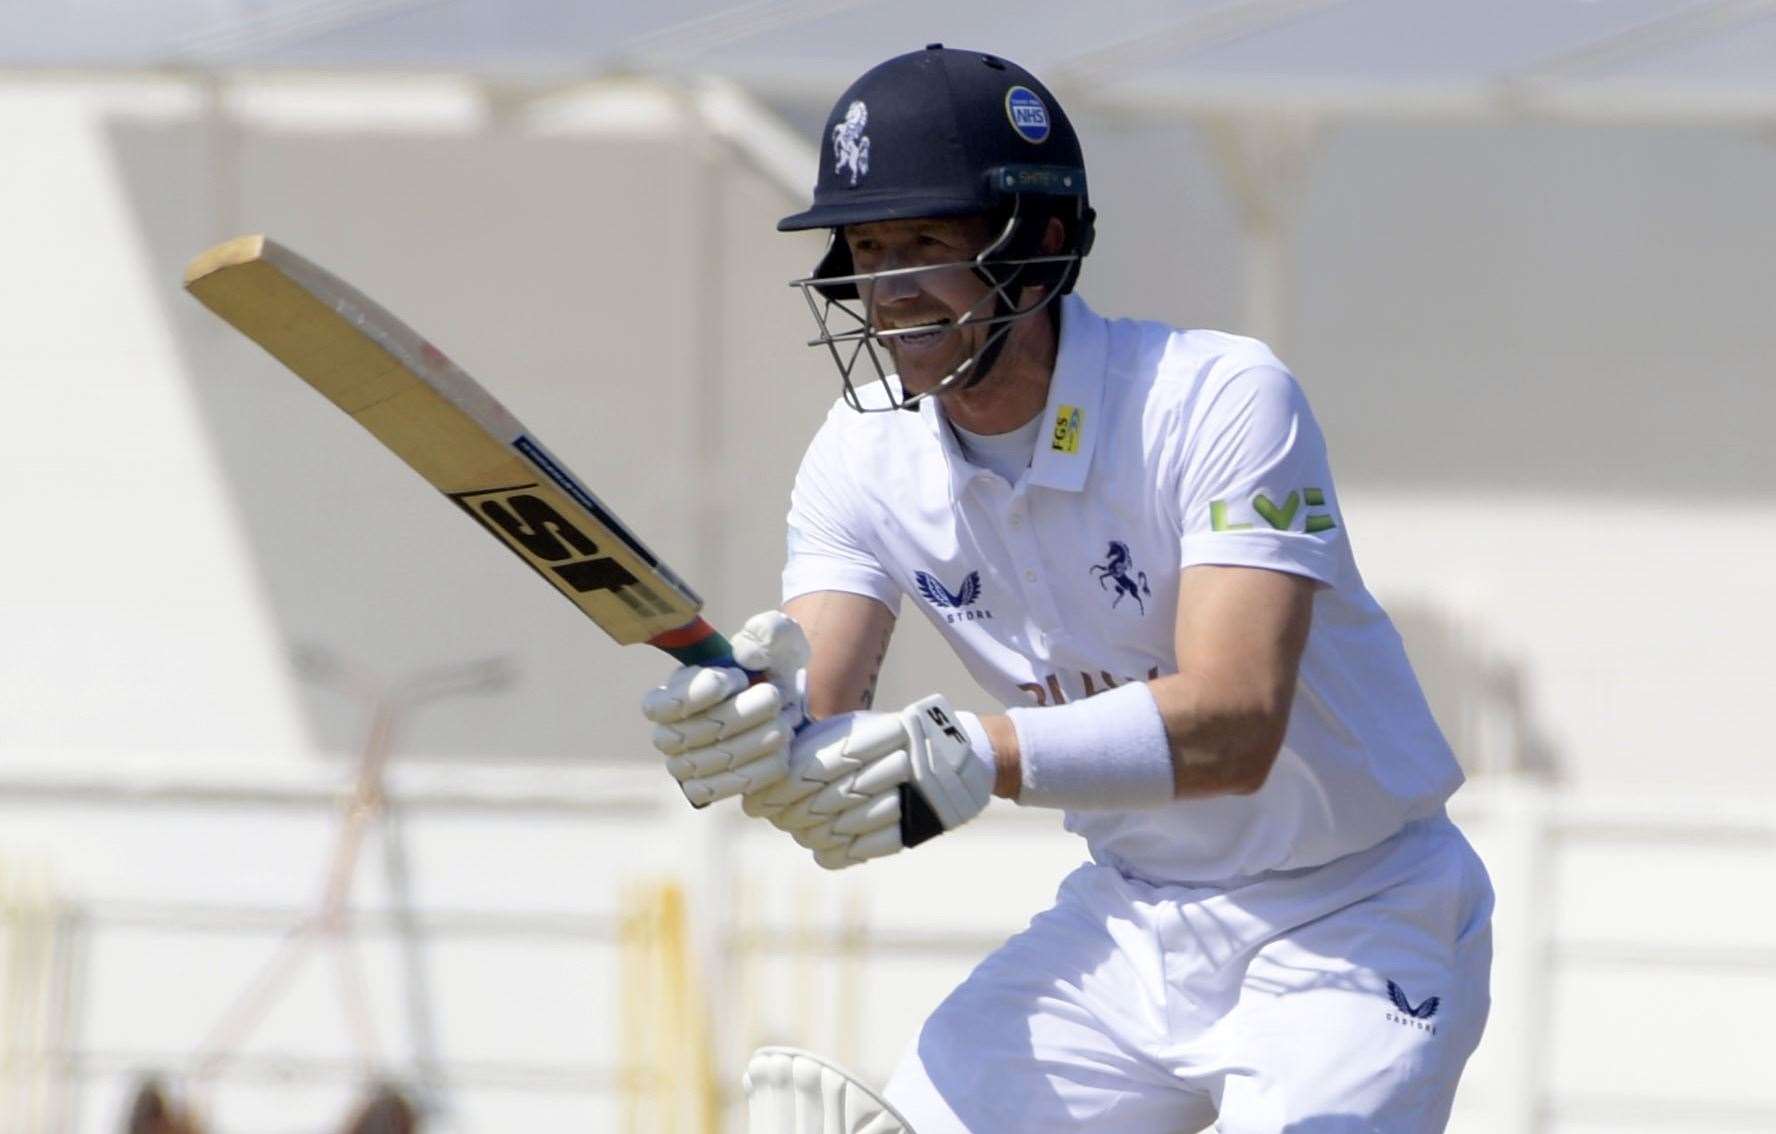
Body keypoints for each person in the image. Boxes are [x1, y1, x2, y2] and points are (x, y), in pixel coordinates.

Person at [642, 44, 1493, 1133]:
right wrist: (749, 725)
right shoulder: (860, 451)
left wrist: (971, 755)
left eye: (924, 244)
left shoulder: (1217, 398)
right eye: (865, 248)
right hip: (1130, 922)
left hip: (1356, 913)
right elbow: (825, 710)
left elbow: (1236, 726)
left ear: (1037, 245)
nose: (887, 290)